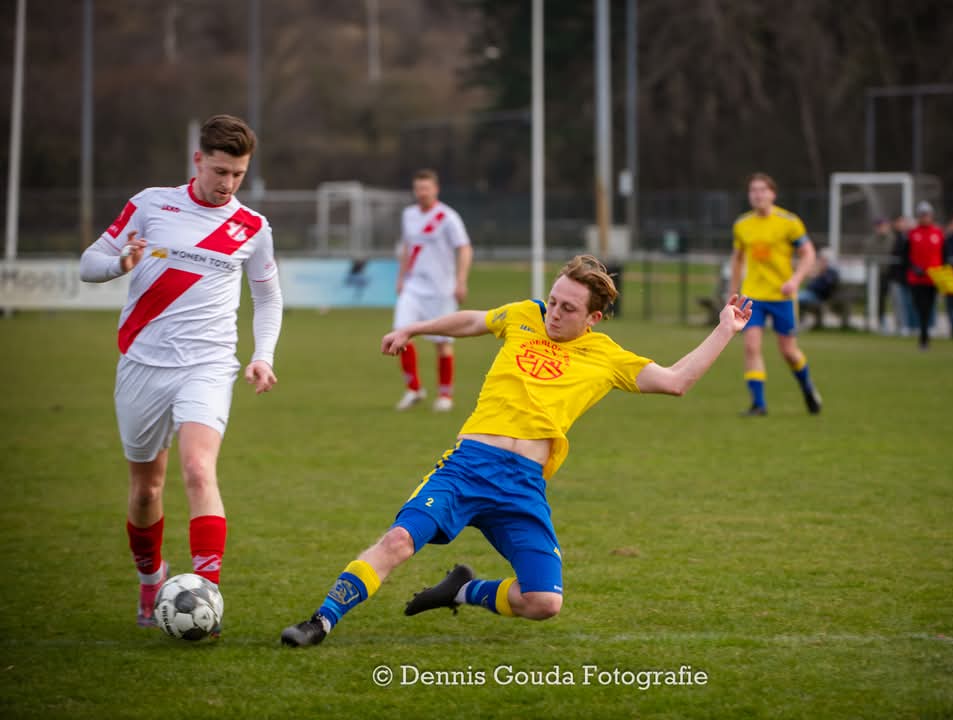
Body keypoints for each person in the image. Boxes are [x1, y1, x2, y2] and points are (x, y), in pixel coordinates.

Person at [280, 256, 753, 647]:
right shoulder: (525, 315)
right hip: (467, 468)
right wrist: (415, 328)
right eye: (553, 300)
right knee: (398, 542)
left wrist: (725, 330)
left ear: (593, 318)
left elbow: (676, 381)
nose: (553, 313)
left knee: (544, 602)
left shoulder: (607, 356)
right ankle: (321, 621)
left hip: (523, 487)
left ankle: (461, 591)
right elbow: (474, 320)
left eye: (568, 309)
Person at [78, 114, 282, 631]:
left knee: (197, 469)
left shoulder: (252, 227)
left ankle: (206, 596)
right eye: (220, 171)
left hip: (208, 364)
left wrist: (263, 355)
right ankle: (151, 579)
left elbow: (267, 298)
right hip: (142, 362)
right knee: (147, 490)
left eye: (238, 174)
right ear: (198, 160)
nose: (228, 184)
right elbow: (88, 263)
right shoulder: (151, 205)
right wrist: (120, 264)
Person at [727, 172, 822, 416]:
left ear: (773, 194)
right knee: (751, 347)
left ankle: (808, 388)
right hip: (753, 295)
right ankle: (758, 404)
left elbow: (809, 253)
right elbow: (737, 260)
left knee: (789, 352)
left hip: (782, 296)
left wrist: (795, 280)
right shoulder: (742, 225)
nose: (757, 195)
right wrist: (732, 291)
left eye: (762, 190)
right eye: (753, 190)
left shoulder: (789, 222)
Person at [392, 169, 473, 412]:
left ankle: (445, 395)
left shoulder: (447, 217)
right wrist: (401, 278)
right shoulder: (409, 215)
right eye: (418, 188)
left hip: (441, 290)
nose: (422, 193)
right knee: (400, 334)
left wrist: (461, 281)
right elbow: (407, 248)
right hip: (413, 287)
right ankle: (414, 389)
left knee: (442, 342)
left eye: (426, 188)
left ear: (435, 189)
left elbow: (465, 248)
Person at [906, 201, 945, 349]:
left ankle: (924, 336)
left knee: (928, 307)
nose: (924, 218)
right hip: (916, 278)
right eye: (922, 215)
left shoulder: (938, 233)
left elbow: (944, 255)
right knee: (920, 307)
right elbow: (906, 255)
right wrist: (914, 267)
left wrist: (942, 273)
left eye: (927, 215)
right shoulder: (912, 234)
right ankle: (924, 335)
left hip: (933, 278)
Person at [797, 247, 840, 328]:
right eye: (820, 259)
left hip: (819, 296)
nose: (820, 261)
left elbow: (825, 286)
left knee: (796, 298)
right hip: (812, 294)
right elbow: (811, 284)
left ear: (828, 260)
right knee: (795, 297)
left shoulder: (830, 272)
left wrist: (819, 275)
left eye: (823, 259)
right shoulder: (823, 271)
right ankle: (800, 320)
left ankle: (801, 321)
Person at [887, 215, 916, 336]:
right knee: (898, 303)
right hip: (896, 276)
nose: (902, 225)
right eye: (900, 222)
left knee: (910, 303)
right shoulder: (893, 237)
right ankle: (902, 326)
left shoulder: (912, 237)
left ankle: (911, 326)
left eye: (904, 222)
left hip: (910, 276)